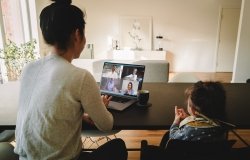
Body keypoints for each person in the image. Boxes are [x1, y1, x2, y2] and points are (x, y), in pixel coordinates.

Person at [1, 0, 128, 160]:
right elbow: (106, 124)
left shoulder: (28, 69)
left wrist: (78, 115)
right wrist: (100, 108)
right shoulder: (81, 77)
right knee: (118, 147)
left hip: (25, 158)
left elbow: (42, 111)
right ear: (77, 35)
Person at [141, 81, 228, 159]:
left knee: (166, 136)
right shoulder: (222, 127)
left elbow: (173, 136)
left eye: (188, 103)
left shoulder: (188, 130)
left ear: (193, 111)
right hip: (208, 153)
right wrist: (188, 118)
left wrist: (176, 122)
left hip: (182, 154)